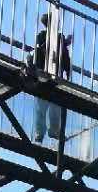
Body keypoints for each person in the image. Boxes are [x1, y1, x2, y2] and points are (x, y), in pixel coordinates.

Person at [29, 12, 71, 142]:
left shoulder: (56, 38)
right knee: (45, 107)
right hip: (46, 75)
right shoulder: (44, 37)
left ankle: (47, 131)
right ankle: (44, 132)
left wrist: (67, 70)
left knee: (49, 107)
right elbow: (63, 54)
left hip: (49, 75)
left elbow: (64, 55)